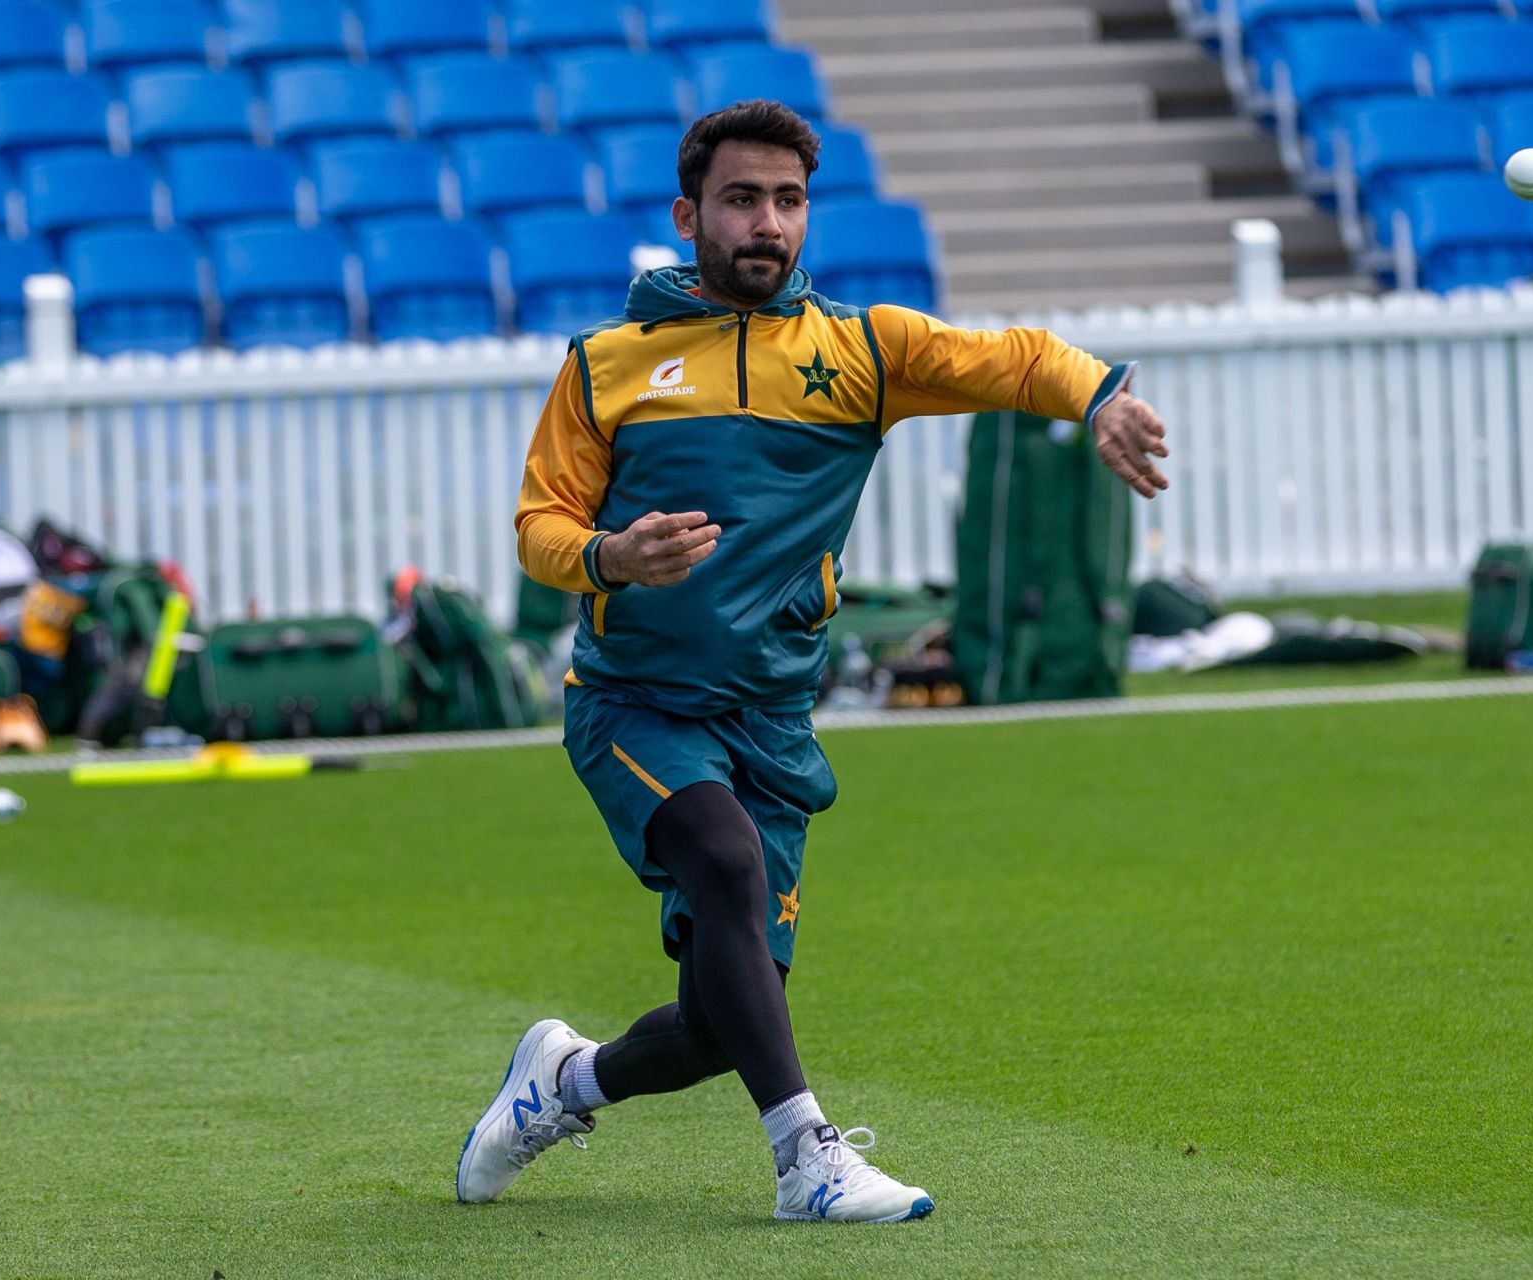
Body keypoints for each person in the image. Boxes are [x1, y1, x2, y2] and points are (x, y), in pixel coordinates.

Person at [457, 99, 1171, 1223]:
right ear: (689, 215)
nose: (768, 224)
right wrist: (610, 555)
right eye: (743, 199)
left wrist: (1099, 397)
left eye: (788, 201)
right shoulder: (605, 366)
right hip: (636, 706)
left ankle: (562, 1080)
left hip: (772, 722)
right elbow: (539, 530)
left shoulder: (862, 351)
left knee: (714, 1021)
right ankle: (808, 1158)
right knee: (727, 863)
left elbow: (1018, 359)